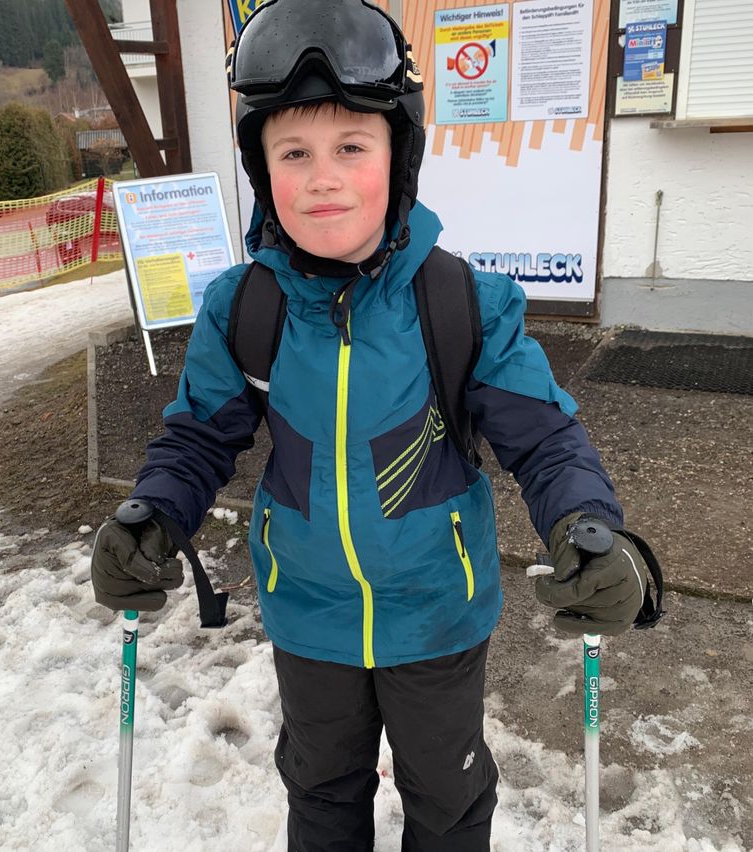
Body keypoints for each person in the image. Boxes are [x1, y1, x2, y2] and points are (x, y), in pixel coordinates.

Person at [91, 2, 659, 849]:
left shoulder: (464, 303)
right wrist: (152, 512)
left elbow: (542, 438)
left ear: (399, 158)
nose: (323, 178)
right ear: (263, 169)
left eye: (351, 148)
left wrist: (591, 527)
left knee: (450, 804)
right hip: (307, 616)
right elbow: (201, 435)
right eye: (294, 153)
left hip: (437, 615)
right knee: (320, 797)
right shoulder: (245, 309)